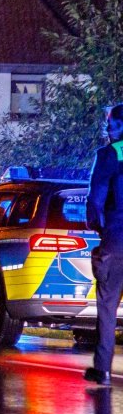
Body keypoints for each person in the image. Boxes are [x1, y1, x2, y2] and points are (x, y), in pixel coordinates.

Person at [85, 104, 123, 385]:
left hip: (117, 240)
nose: (108, 128)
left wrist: (100, 229)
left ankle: (104, 369)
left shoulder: (108, 155)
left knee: (108, 303)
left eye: (111, 123)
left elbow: (95, 204)